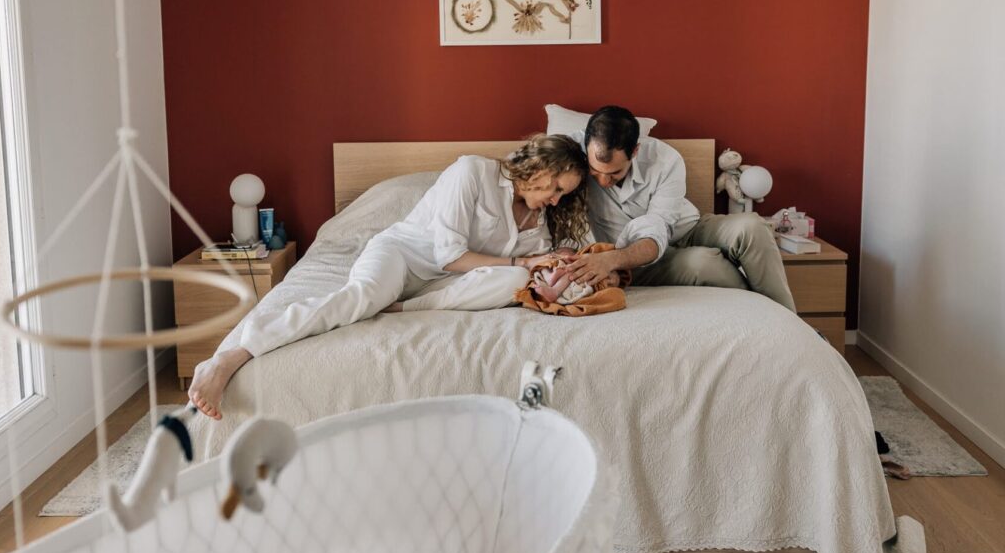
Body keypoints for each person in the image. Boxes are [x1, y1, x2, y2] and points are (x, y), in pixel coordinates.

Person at [189, 134, 590, 419]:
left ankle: (404, 308)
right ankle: (230, 357)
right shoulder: (473, 172)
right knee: (362, 298)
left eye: (563, 195)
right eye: (555, 187)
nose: (556, 199)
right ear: (539, 168)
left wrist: (552, 263)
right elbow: (449, 255)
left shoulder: (540, 221)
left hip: (444, 286)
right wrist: (524, 263)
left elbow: (510, 272)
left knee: (511, 283)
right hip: (403, 256)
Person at [561, 105, 796, 310]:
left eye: (614, 173)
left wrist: (611, 260)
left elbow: (658, 226)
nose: (603, 181)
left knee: (753, 225)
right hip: (636, 258)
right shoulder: (568, 153)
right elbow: (533, 167)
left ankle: (789, 322)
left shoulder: (665, 159)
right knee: (704, 262)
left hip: (687, 228)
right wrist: (609, 260)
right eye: (595, 172)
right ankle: (763, 317)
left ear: (635, 152)